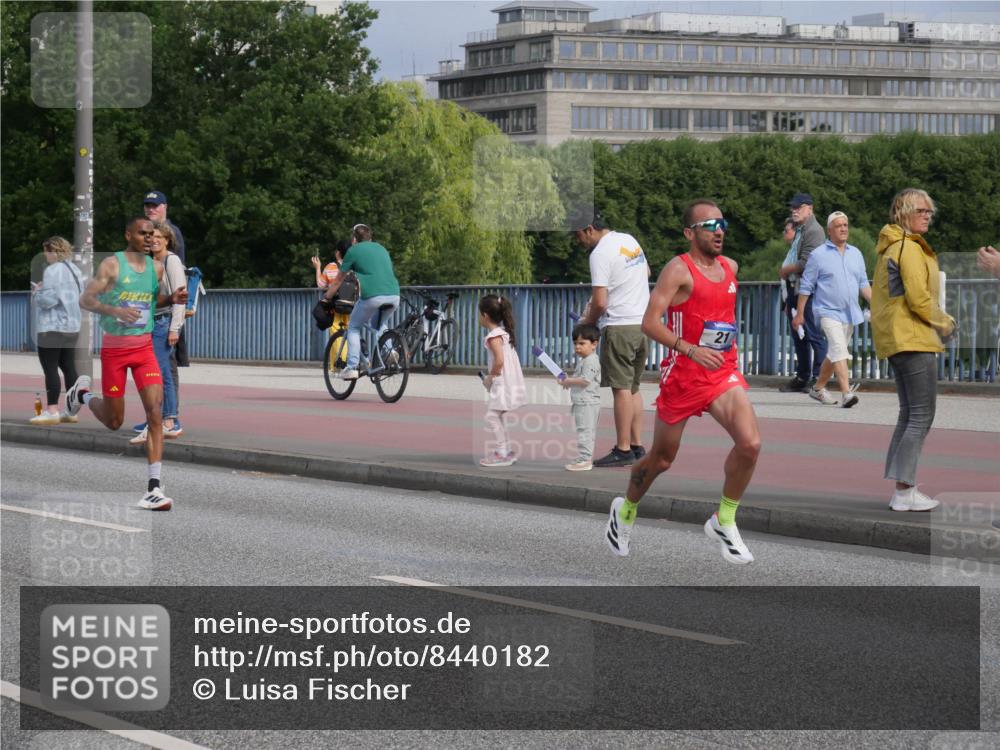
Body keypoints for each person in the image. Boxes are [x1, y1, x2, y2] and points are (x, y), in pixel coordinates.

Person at [604, 199, 761, 565]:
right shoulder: (678, 269)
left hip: (721, 371)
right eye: (710, 226)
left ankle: (724, 519)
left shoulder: (730, 267)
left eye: (722, 224)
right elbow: (649, 323)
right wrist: (690, 350)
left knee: (750, 443)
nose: (719, 231)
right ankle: (625, 510)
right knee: (661, 459)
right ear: (690, 233)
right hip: (684, 376)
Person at [65, 217, 188, 511]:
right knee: (114, 421)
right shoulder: (112, 265)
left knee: (155, 413)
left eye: (152, 234)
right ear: (128, 235)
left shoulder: (157, 268)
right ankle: (82, 395)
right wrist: (114, 310)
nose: (148, 238)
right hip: (116, 350)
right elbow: (86, 299)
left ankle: (154, 488)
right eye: (142, 233)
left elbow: (153, 300)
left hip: (144, 349)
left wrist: (171, 298)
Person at [871, 189, 955, 513]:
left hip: (898, 338)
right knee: (921, 415)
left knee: (909, 414)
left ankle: (902, 488)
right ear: (903, 212)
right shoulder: (908, 248)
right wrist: (946, 324)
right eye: (921, 210)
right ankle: (904, 491)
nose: (927, 215)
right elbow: (919, 299)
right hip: (913, 338)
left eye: (929, 211)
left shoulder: (892, 246)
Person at [573, 210, 651, 467]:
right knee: (633, 388)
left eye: (578, 236)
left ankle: (623, 449)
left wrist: (587, 323)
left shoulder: (599, 253)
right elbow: (647, 272)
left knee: (621, 389)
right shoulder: (628, 240)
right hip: (643, 323)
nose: (578, 242)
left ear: (588, 229)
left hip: (619, 326)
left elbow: (600, 302)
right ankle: (637, 445)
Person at [792, 211, 872, 408]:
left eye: (845, 225)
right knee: (839, 348)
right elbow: (806, 286)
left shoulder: (856, 254)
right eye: (838, 226)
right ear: (829, 230)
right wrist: (800, 313)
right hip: (826, 311)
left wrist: (877, 305)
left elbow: (863, 283)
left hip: (850, 313)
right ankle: (846, 393)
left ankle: (818, 388)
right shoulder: (818, 255)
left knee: (835, 352)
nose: (843, 229)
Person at [136, 190, 187, 434]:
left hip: (164, 320)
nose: (150, 209)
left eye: (154, 205)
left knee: (163, 370)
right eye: (147, 205)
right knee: (153, 371)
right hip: (150, 320)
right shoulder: (150, 260)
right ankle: (156, 417)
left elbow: (180, 294)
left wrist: (175, 328)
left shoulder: (171, 259)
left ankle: (169, 418)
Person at [322, 224, 400, 380]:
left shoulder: (353, 251)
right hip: (394, 294)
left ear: (354, 239)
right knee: (378, 324)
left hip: (372, 296)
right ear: (370, 237)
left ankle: (351, 367)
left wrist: (326, 298)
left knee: (353, 327)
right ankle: (390, 350)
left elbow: (338, 281)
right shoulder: (381, 248)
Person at [29, 236, 84, 425]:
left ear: (53, 251)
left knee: (50, 368)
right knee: (69, 367)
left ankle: (52, 411)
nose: (45, 255)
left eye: (46, 251)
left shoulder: (52, 270)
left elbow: (48, 301)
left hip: (52, 326)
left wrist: (37, 292)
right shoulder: (76, 270)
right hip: (72, 326)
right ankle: (71, 411)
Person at [779, 193, 828, 392]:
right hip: (795, 289)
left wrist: (786, 270)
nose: (794, 210)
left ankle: (818, 378)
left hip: (806, 291)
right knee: (799, 335)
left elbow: (809, 262)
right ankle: (803, 376)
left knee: (813, 334)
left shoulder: (814, 230)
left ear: (810, 208)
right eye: (793, 207)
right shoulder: (802, 229)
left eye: (799, 207)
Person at [478, 294, 526, 467]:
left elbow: (499, 361)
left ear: (485, 315)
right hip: (509, 382)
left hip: (501, 382)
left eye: (479, 314)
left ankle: (502, 452)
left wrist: (489, 379)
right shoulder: (504, 333)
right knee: (498, 415)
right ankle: (506, 451)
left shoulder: (493, 337)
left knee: (492, 416)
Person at [560, 323, 602, 471]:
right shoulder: (585, 360)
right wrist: (568, 382)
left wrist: (568, 381)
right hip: (583, 402)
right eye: (575, 343)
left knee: (585, 431)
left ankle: (585, 459)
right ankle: (584, 457)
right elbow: (581, 380)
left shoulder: (591, 360)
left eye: (582, 343)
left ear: (594, 344)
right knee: (584, 430)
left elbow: (585, 381)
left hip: (587, 403)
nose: (577, 347)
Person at [313, 240, 350, 334]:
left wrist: (318, 267)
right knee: (351, 331)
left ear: (338, 253)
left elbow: (321, 285)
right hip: (352, 305)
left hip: (336, 306)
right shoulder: (354, 267)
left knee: (337, 333)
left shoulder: (331, 267)